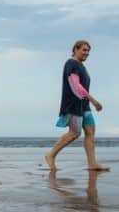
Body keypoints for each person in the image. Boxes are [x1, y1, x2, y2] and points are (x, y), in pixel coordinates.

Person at [45, 40, 107, 172]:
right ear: (75, 49)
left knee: (90, 132)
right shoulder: (71, 64)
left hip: (84, 105)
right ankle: (50, 155)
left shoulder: (81, 66)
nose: (87, 53)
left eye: (88, 51)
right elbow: (76, 86)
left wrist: (88, 102)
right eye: (84, 50)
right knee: (74, 133)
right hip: (73, 104)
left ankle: (92, 164)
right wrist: (94, 101)